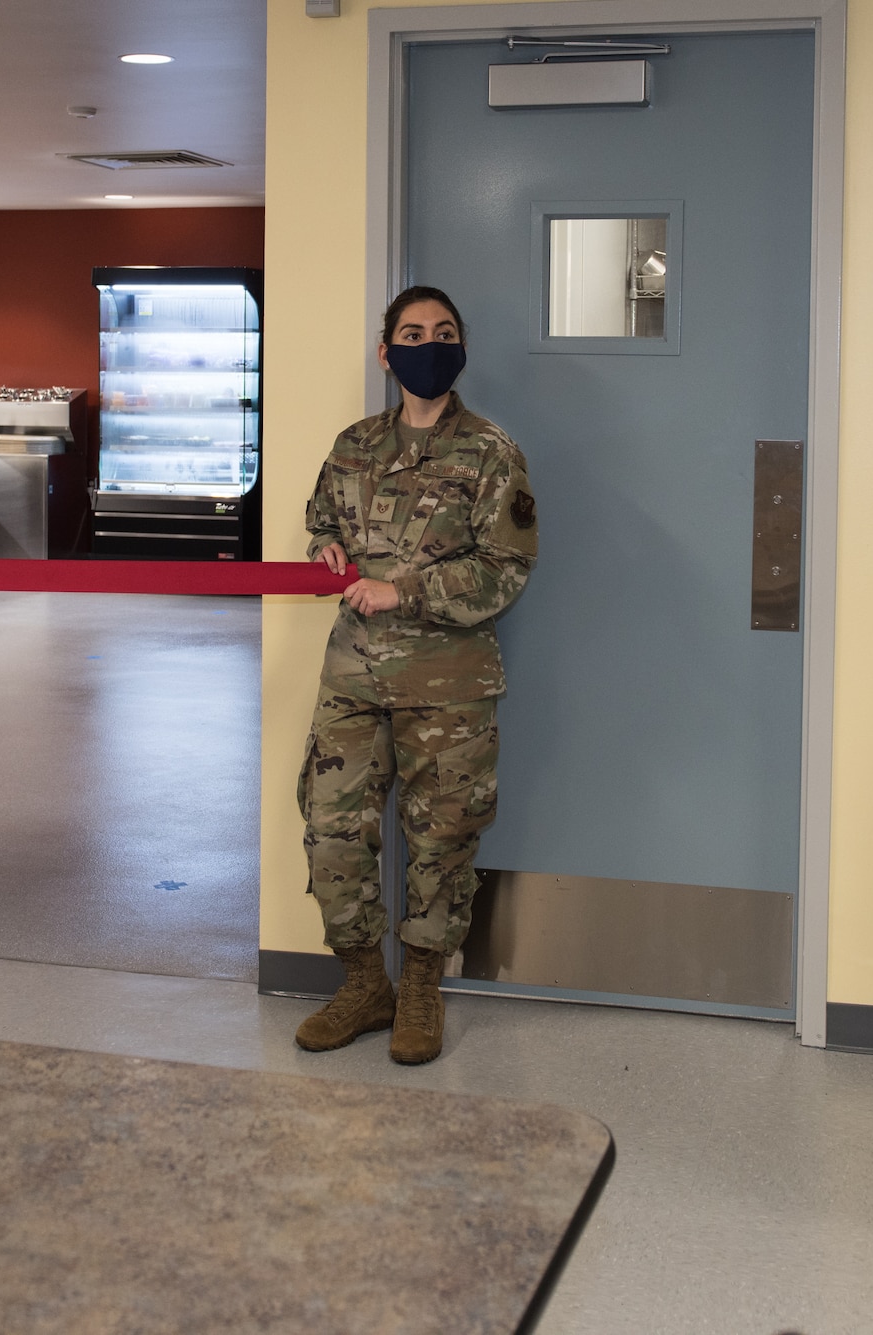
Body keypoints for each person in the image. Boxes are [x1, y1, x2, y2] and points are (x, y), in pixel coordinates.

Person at [294, 285, 536, 1065]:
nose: (428, 343)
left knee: (441, 843)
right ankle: (366, 983)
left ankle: (422, 989)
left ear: (460, 345)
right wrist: (324, 548)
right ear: (385, 351)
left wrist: (409, 589)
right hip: (354, 678)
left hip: (450, 685)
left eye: (443, 331)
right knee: (333, 831)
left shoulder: (491, 452)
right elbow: (322, 518)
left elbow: (508, 567)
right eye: (411, 332)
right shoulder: (354, 444)